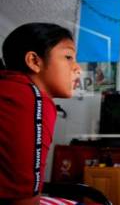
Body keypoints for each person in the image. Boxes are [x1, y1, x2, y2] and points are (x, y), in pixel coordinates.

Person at [0, 23, 81, 204]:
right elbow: (24, 195)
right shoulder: (32, 99)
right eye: (68, 57)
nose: (78, 68)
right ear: (34, 61)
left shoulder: (10, 88)